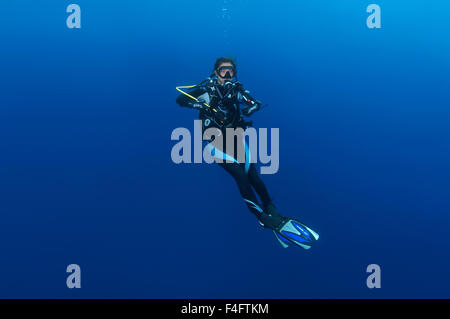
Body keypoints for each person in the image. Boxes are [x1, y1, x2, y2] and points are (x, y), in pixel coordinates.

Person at [176, 57, 319, 249]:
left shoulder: (236, 90)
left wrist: (253, 106)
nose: (227, 75)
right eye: (222, 71)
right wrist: (207, 106)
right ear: (215, 72)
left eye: (231, 72)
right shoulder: (206, 90)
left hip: (236, 140)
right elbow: (181, 100)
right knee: (240, 176)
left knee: (254, 176)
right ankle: (261, 217)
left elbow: (254, 101)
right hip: (214, 144)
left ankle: (272, 209)